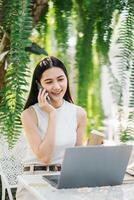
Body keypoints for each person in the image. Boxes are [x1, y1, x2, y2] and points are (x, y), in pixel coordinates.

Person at [16, 56, 87, 200]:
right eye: (49, 82)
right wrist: (52, 115)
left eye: (61, 79)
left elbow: (77, 158)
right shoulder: (29, 114)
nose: (57, 86)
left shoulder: (79, 113)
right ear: (39, 85)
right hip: (34, 181)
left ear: (66, 79)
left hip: (65, 183)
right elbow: (45, 157)